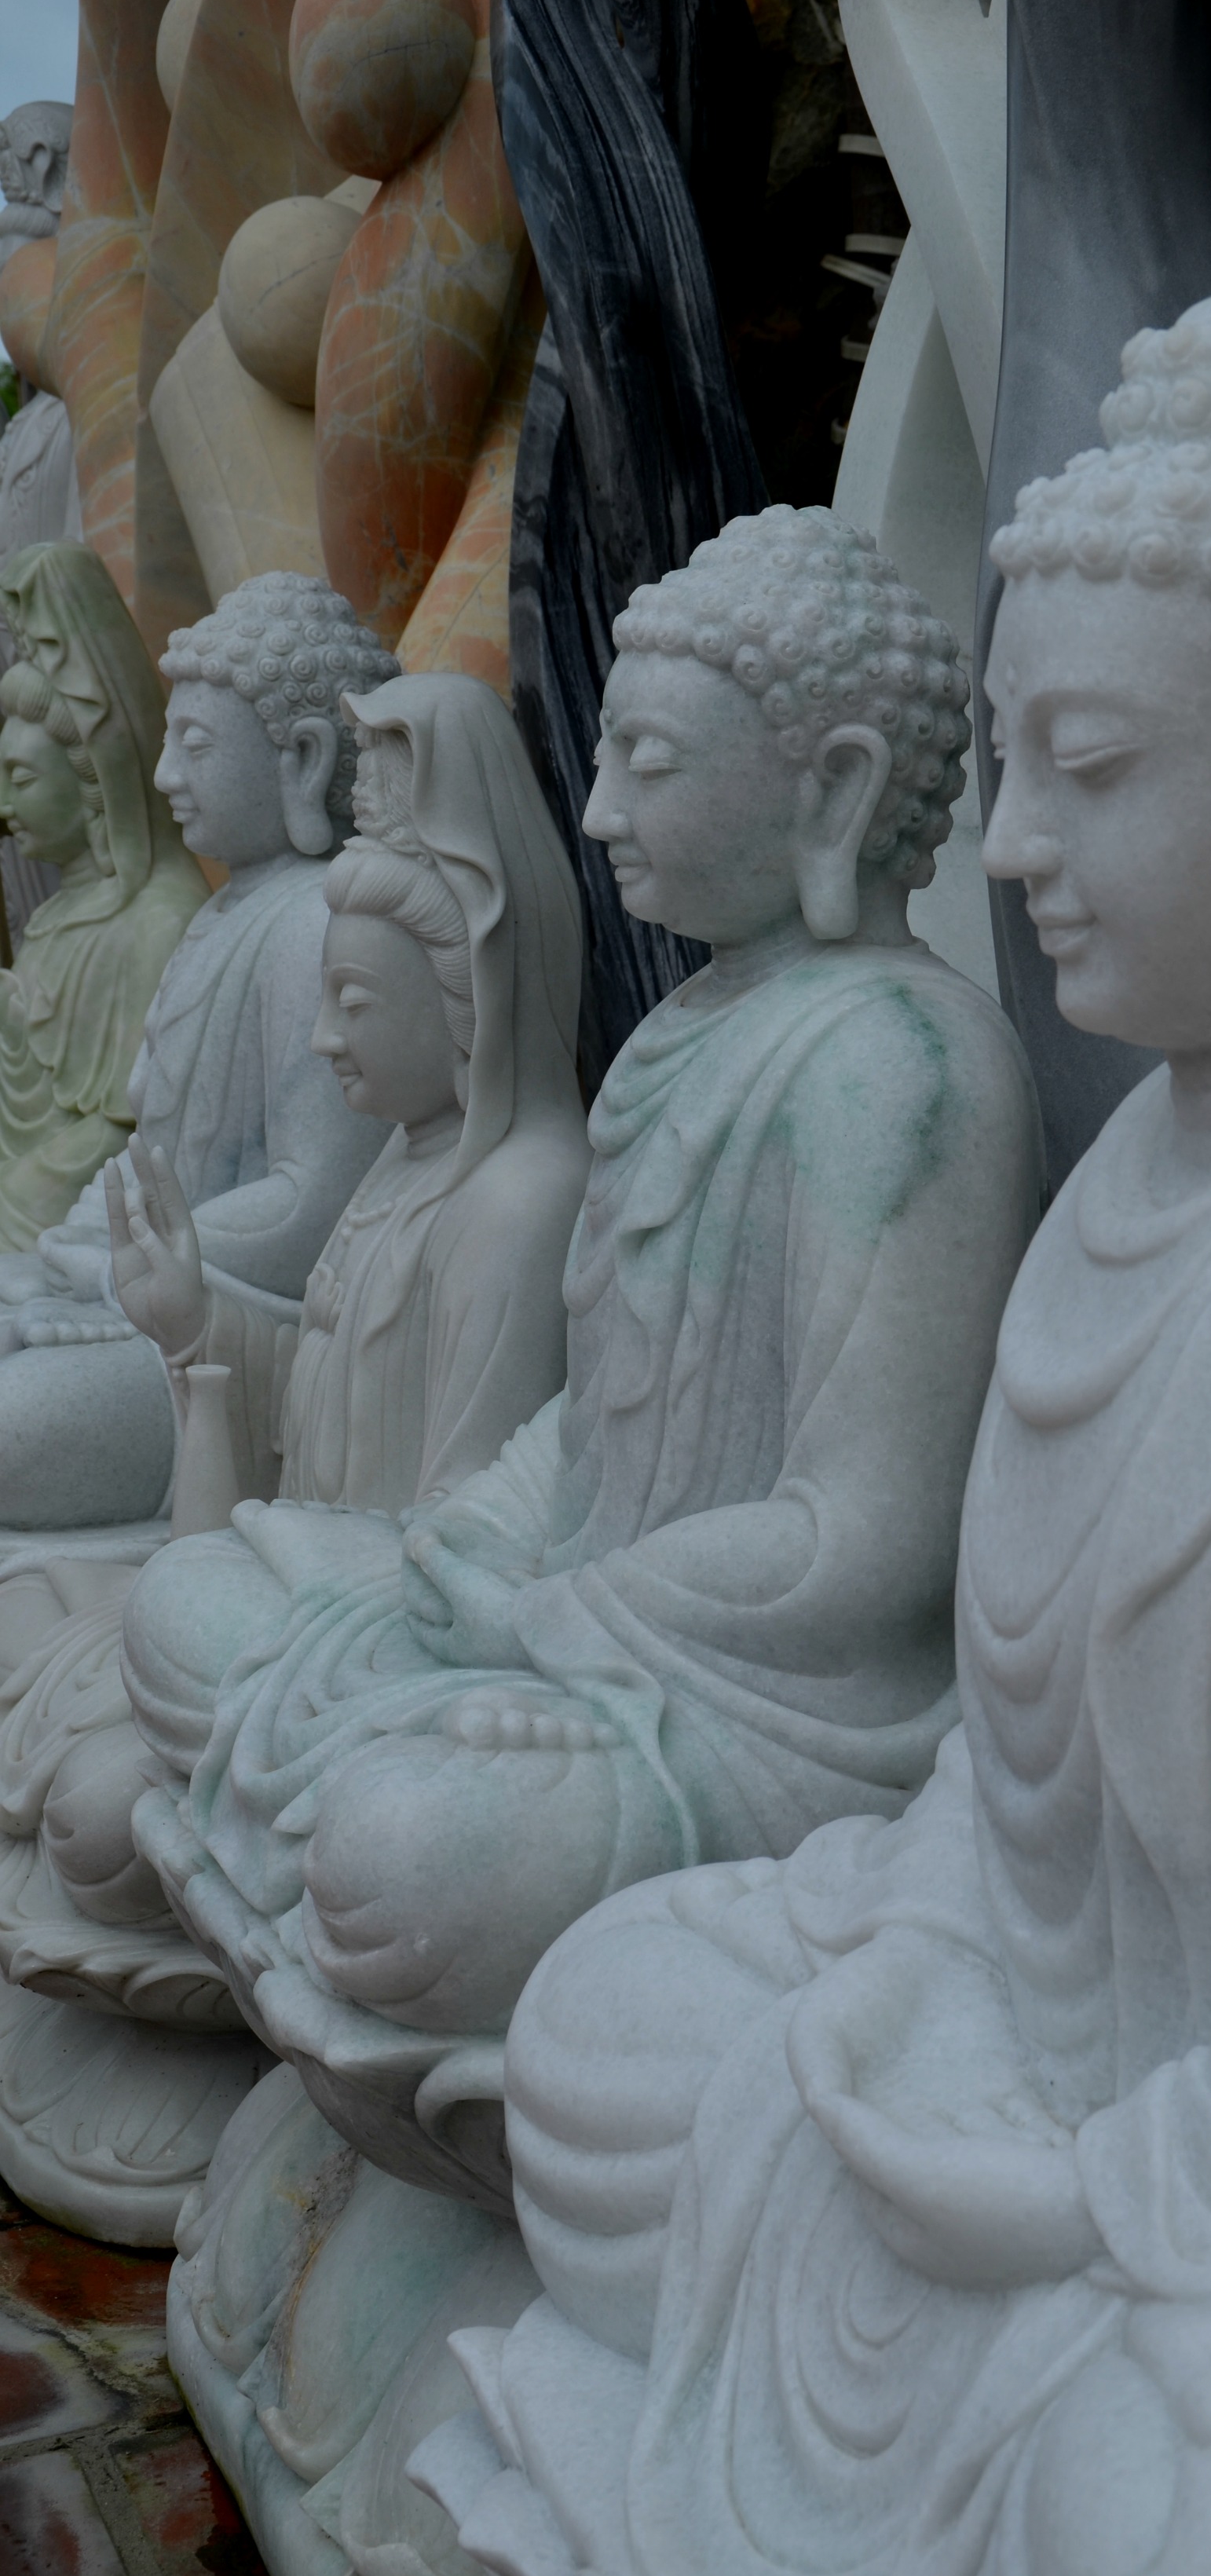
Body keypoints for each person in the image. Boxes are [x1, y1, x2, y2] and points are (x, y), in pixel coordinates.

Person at [415, 291, 1211, 2576]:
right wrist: (930, 1964)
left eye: (1093, 766)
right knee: (608, 2031)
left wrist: (1146, 2161)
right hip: (1043, 2072)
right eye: (1010, 763)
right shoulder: (1126, 1176)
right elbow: (1008, 1775)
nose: (1013, 845)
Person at [122, 507, 1043, 2198]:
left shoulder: (907, 1066)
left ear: (835, 791)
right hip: (570, 1616)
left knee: (402, 1861)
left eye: (649, 764)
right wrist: (463, 1540)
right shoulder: (683, 1030)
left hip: (766, 1708)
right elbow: (590, 1416)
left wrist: (549, 1621)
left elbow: (865, 1543)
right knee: (188, 1605)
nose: (600, 810)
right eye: (602, 760)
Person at [0, 671, 589, 2242]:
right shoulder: (402, 1167)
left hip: (365, 1648)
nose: (324, 1039)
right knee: (40, 1637)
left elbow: (462, 1547)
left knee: (101, 1810)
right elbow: (278, 1461)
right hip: (277, 1608)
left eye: (356, 1006)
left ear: (465, 999)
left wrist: (243, 1575)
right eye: (323, 999)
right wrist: (192, 1331)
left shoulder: (521, 1197)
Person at [0, 569, 396, 1533]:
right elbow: (149, 1154)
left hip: (238, 1338)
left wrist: (123, 1270)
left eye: (197, 745)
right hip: (152, 1286)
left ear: (303, 758)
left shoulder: (317, 925)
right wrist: (75, 1251)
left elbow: (311, 1205)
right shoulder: (222, 918)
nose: (165, 776)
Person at [0, 543, 207, 1249]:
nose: (4, 807)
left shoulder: (160, 920)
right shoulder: (54, 917)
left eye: (21, 778)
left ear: (94, 776)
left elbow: (126, 1133)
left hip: (85, 1233)